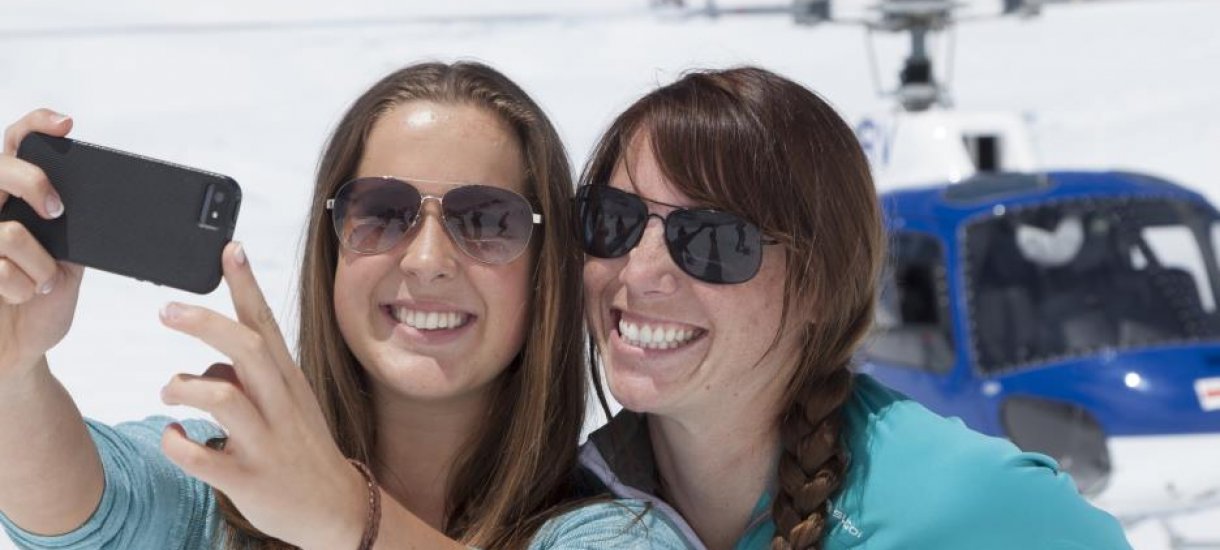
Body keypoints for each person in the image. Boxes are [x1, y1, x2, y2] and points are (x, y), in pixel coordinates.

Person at [0, 62, 676, 549]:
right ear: (331, 251)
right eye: (382, 212)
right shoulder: (226, 488)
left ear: (546, 268)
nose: (427, 259)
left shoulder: (615, 532)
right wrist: (13, 371)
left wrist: (347, 519)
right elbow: (82, 511)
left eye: (486, 221)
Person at [574, 66, 1133, 549]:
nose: (639, 272)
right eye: (614, 220)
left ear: (819, 286)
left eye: (713, 241)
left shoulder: (962, 501)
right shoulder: (566, 508)